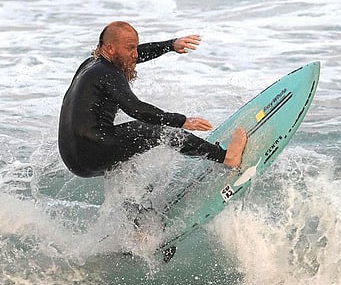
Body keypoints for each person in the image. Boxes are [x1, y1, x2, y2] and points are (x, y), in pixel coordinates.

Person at [58, 21, 247, 178]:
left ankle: (137, 217)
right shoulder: (108, 73)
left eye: (135, 47)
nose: (135, 54)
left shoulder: (92, 64)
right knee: (163, 133)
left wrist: (171, 45)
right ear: (110, 48)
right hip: (94, 148)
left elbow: (136, 54)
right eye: (130, 48)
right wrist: (182, 121)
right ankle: (226, 157)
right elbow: (136, 109)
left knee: (127, 167)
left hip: (74, 158)